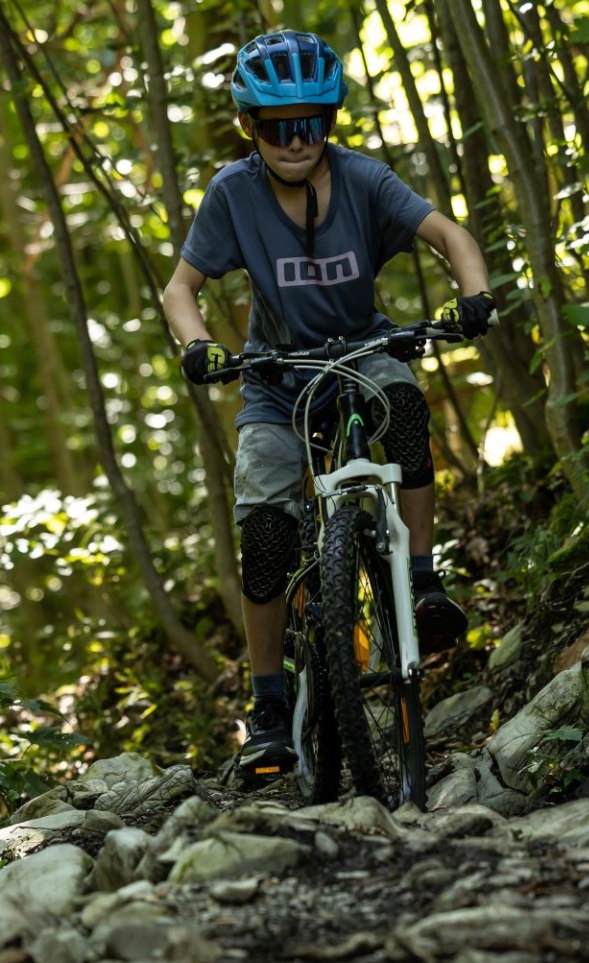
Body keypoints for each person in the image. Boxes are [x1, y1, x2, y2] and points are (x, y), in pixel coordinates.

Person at [159, 29, 499, 782]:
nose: (294, 141)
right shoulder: (232, 193)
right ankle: (271, 707)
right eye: (277, 127)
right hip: (276, 380)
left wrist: (474, 297)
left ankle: (421, 576)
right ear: (250, 127)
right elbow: (180, 288)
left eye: (310, 124)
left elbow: (447, 234)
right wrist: (196, 345)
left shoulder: (362, 178)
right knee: (269, 536)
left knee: (405, 404)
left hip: (363, 348)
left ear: (330, 123)